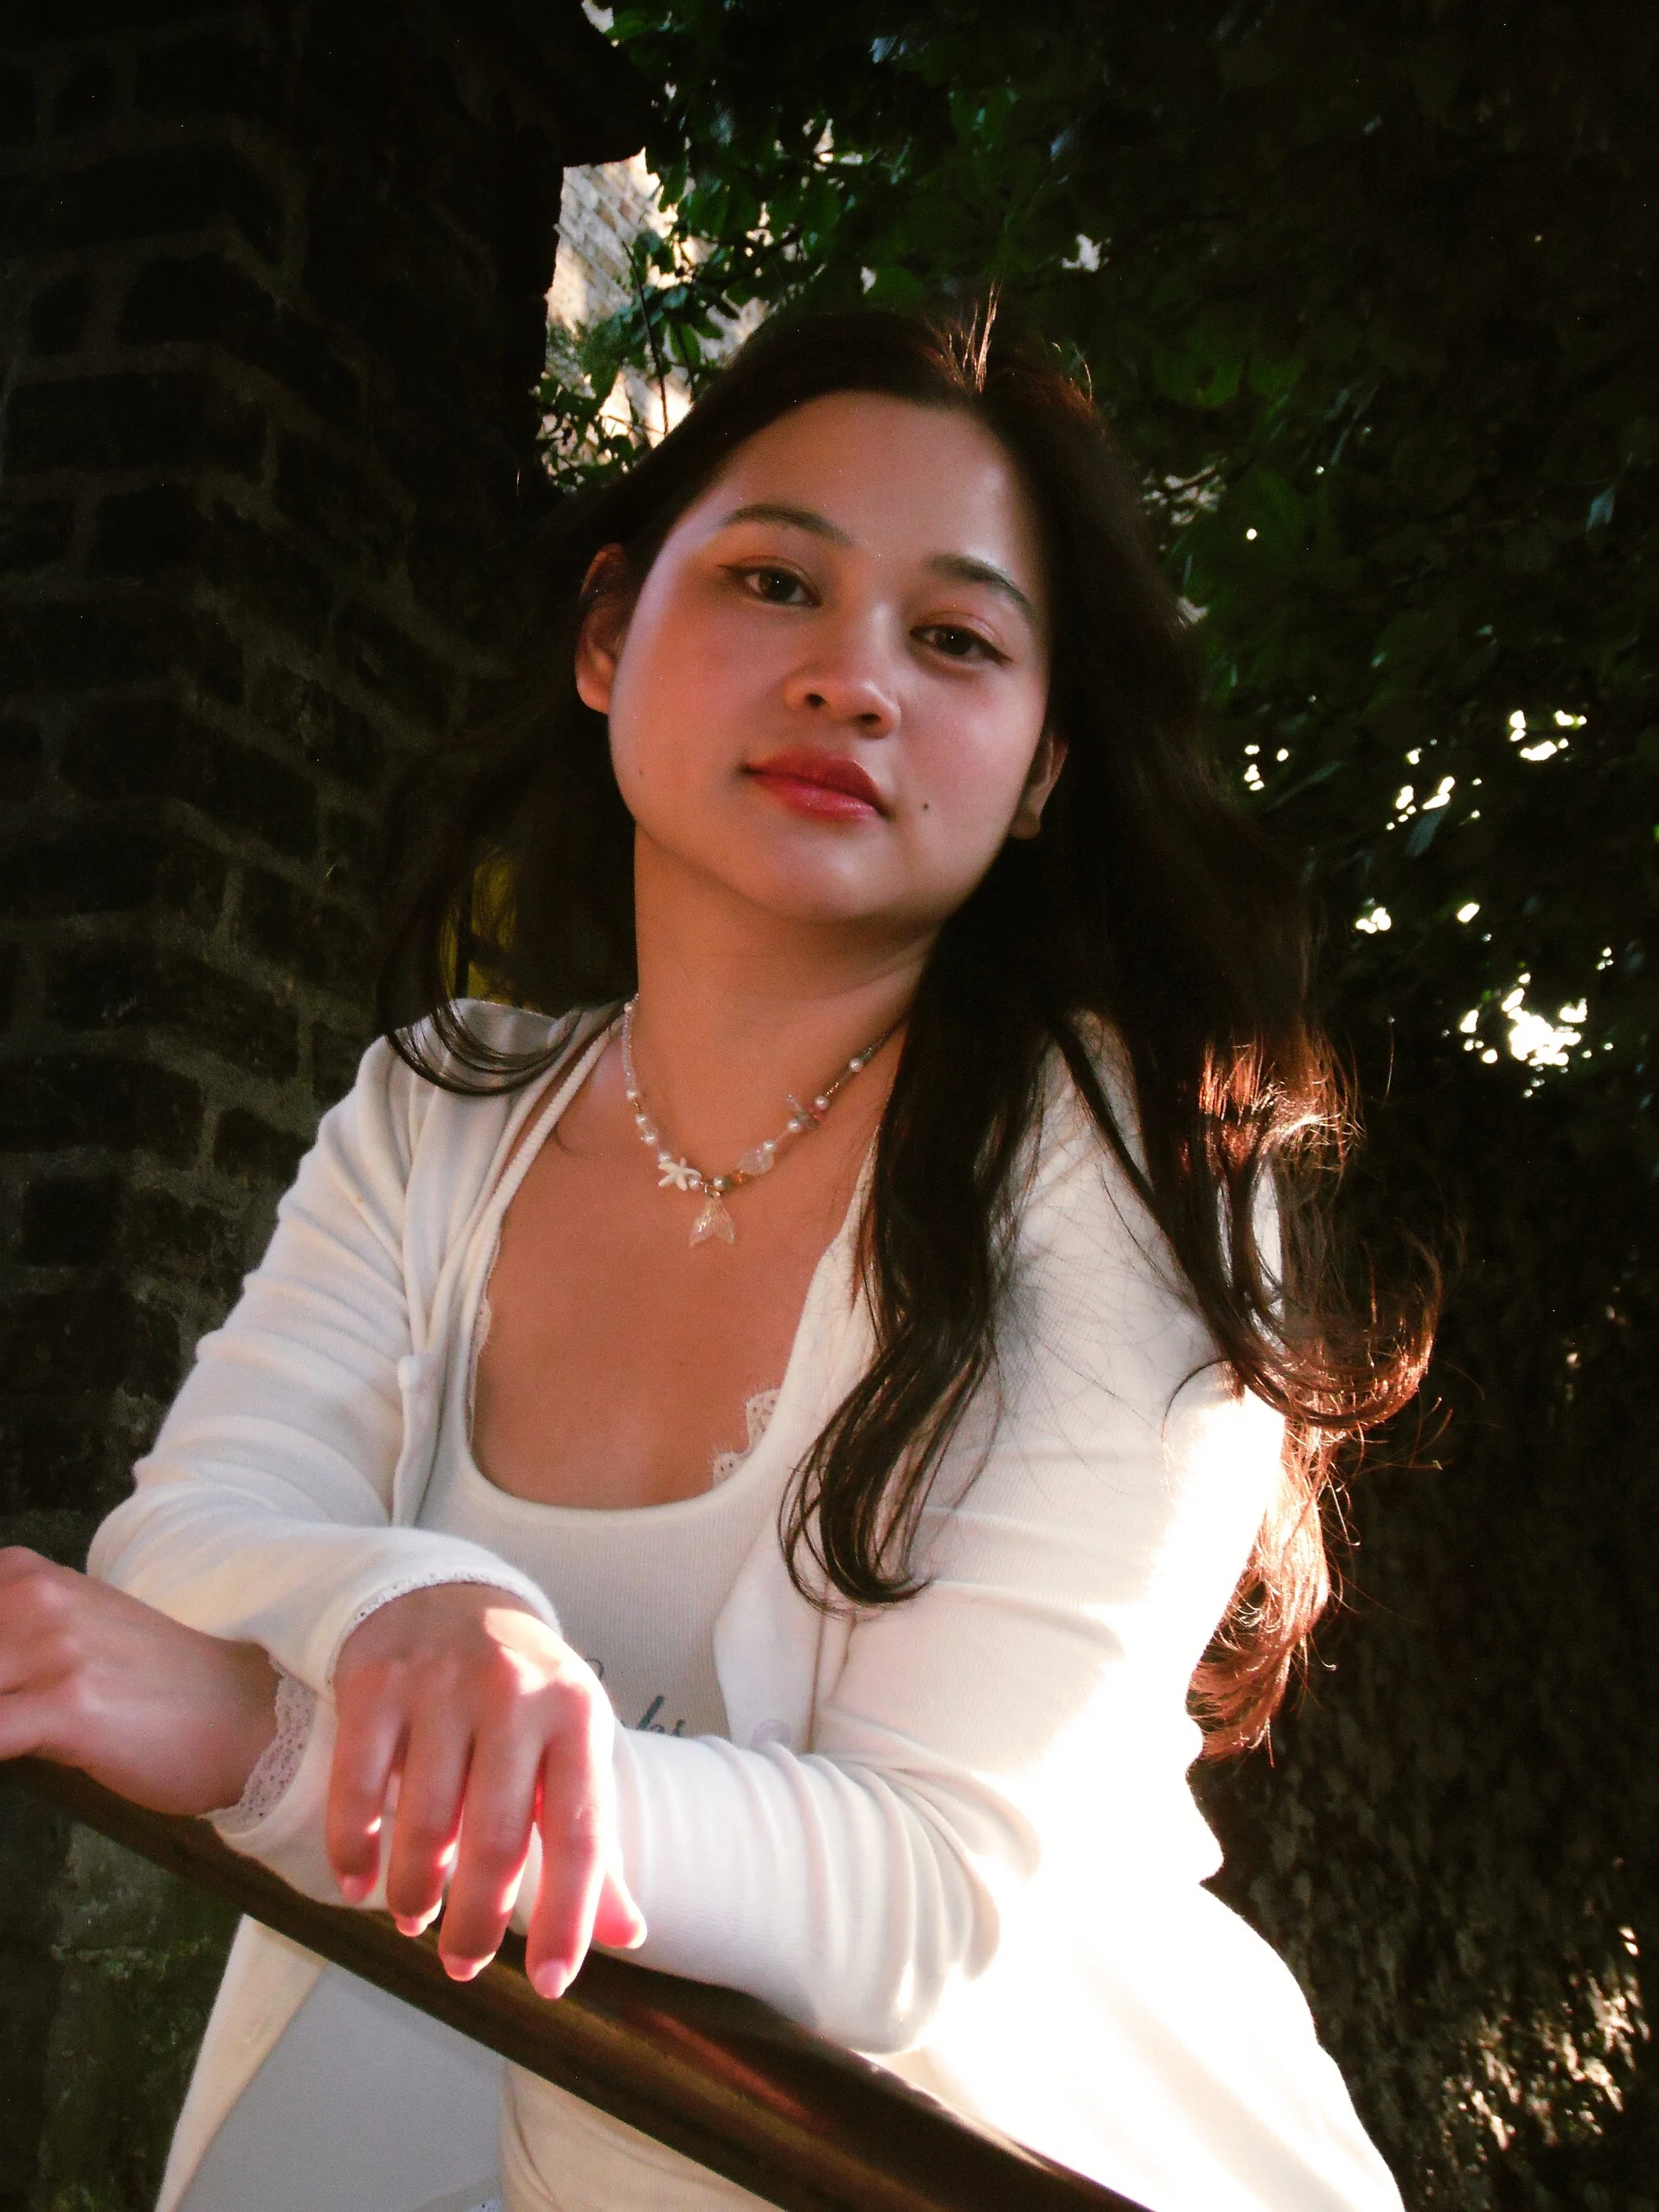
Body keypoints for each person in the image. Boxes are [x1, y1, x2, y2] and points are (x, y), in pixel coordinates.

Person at [0, 309, 1432, 2212]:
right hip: (396, 2091)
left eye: (955, 638)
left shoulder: (1129, 1170)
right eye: (773, 579)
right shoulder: (443, 1108)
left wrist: (276, 1737)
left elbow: (912, 1892)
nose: (852, 679)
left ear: (1039, 767)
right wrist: (418, 1604)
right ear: (608, 635)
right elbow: (183, 1534)